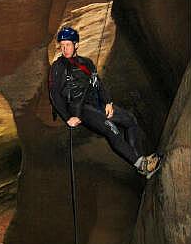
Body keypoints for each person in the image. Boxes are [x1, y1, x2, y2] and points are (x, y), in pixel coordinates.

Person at [48, 26, 162, 179]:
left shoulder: (87, 63)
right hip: (81, 109)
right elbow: (54, 94)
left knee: (130, 120)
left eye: (68, 44)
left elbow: (98, 84)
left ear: (76, 45)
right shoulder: (59, 66)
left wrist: (108, 102)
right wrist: (67, 117)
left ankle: (139, 161)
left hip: (97, 105)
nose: (64, 48)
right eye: (62, 45)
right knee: (110, 128)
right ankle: (142, 165)